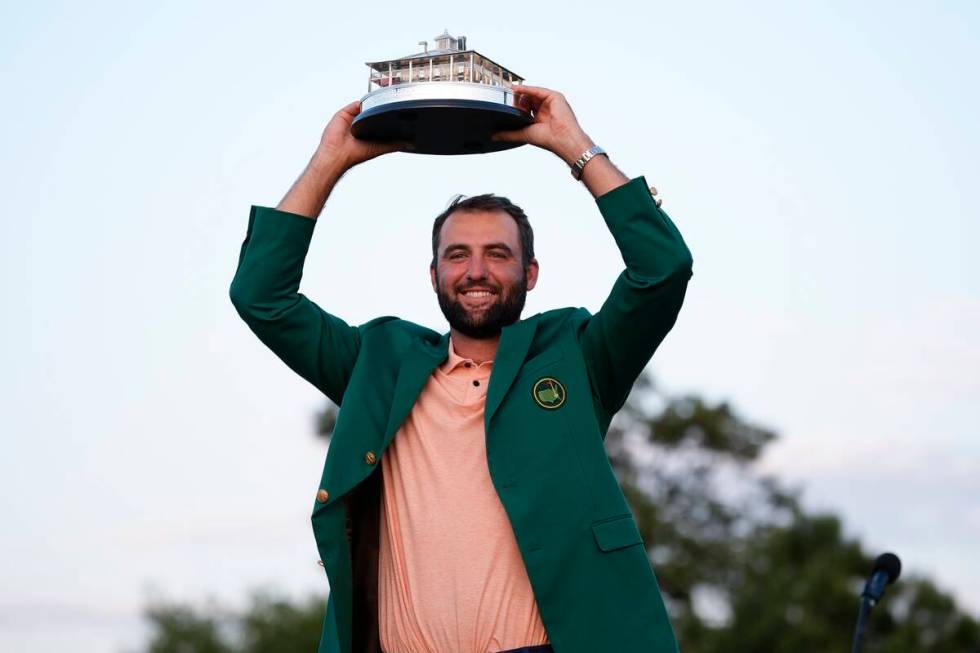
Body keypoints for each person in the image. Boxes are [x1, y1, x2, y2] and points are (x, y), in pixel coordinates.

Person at [229, 84, 693, 653]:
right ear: (434, 276)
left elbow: (663, 269)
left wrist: (570, 145)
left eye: (497, 254)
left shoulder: (577, 355)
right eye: (457, 255)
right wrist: (333, 160)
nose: (476, 270)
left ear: (531, 273)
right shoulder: (376, 362)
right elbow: (261, 296)